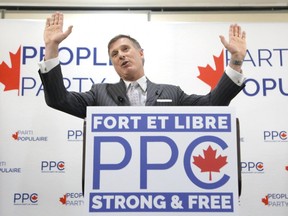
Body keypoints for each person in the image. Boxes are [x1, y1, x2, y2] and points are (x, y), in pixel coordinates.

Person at [38, 12, 247, 119]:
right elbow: (58, 99)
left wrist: (236, 60)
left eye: (126, 49)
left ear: (140, 53)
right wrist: (52, 48)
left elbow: (213, 104)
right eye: (114, 54)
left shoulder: (172, 94)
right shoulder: (98, 94)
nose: (120, 55)